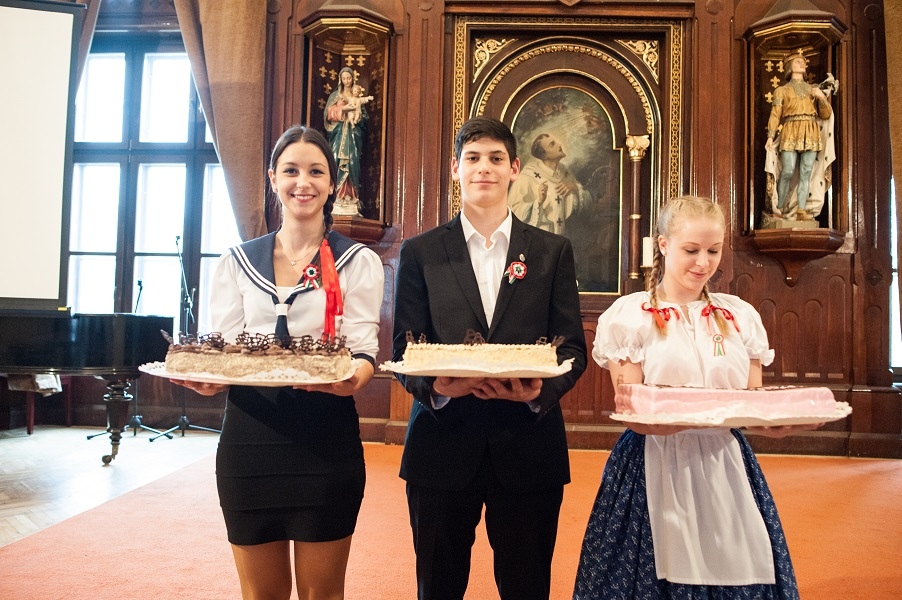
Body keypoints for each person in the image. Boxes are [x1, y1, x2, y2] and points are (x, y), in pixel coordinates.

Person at [171, 124, 384, 600]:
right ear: (272, 178)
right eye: (290, 171)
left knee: (321, 594)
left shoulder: (358, 261)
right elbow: (227, 350)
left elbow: (364, 351)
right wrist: (210, 378)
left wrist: (352, 380)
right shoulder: (236, 262)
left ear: (332, 182)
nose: (302, 182)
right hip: (249, 440)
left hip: (325, 438)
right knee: (261, 594)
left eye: (316, 172)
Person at [572, 196, 819, 599]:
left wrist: (777, 424)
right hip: (653, 459)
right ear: (663, 244)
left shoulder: (739, 316)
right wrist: (683, 420)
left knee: (738, 563)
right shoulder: (631, 316)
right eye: (691, 250)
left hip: (724, 461)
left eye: (713, 250)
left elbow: (751, 402)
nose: (703, 263)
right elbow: (631, 410)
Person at [392, 116, 588, 600]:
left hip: (527, 443)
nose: (484, 168)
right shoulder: (420, 253)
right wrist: (436, 388)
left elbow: (571, 348)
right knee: (437, 587)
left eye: (496, 158)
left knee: (527, 587)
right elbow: (403, 348)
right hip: (441, 444)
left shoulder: (552, 251)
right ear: (455, 168)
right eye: (473, 158)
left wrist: (538, 392)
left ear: (514, 168)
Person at [765, 52, 835, 221]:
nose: (802, 64)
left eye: (803, 62)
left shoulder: (813, 89)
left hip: (810, 130)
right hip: (790, 129)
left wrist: (822, 98)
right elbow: (775, 114)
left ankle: (801, 210)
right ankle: (779, 208)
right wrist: (770, 135)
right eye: (798, 62)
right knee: (788, 170)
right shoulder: (781, 90)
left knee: (806, 172)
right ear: (789, 67)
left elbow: (825, 115)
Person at [508, 132, 591, 235]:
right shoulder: (527, 176)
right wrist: (538, 202)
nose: (559, 145)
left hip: (564, 236)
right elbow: (513, 211)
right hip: (539, 237)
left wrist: (575, 188)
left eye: (556, 142)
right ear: (544, 155)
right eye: (552, 144)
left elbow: (588, 206)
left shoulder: (565, 172)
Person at [324, 66, 373, 216]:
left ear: (353, 79)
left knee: (352, 163)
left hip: (353, 137)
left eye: (349, 78)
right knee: (336, 162)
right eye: (344, 78)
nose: (346, 81)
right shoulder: (336, 96)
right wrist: (343, 110)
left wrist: (358, 118)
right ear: (340, 79)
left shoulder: (356, 96)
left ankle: (352, 197)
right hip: (338, 136)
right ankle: (337, 197)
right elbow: (328, 114)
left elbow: (365, 118)